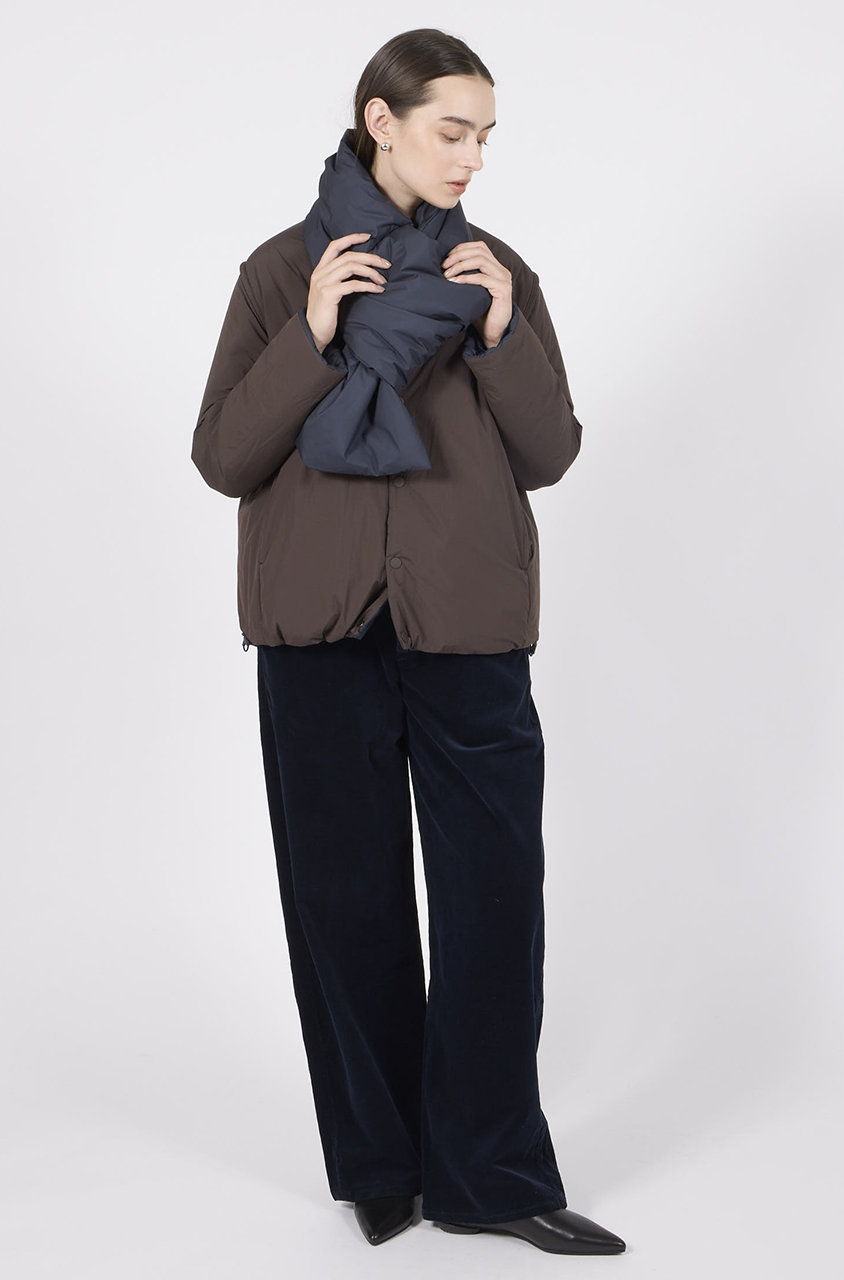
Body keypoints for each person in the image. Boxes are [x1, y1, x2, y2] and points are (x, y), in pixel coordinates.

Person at [192, 27, 626, 1257]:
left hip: (468, 623)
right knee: (345, 899)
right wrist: (311, 335)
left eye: (485, 136)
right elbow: (224, 455)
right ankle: (380, 1164)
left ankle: (490, 1172)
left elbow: (549, 451)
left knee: (494, 897)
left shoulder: (498, 272)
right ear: (379, 121)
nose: (472, 157)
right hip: (317, 623)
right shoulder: (282, 270)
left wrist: (499, 334)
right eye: (452, 130)